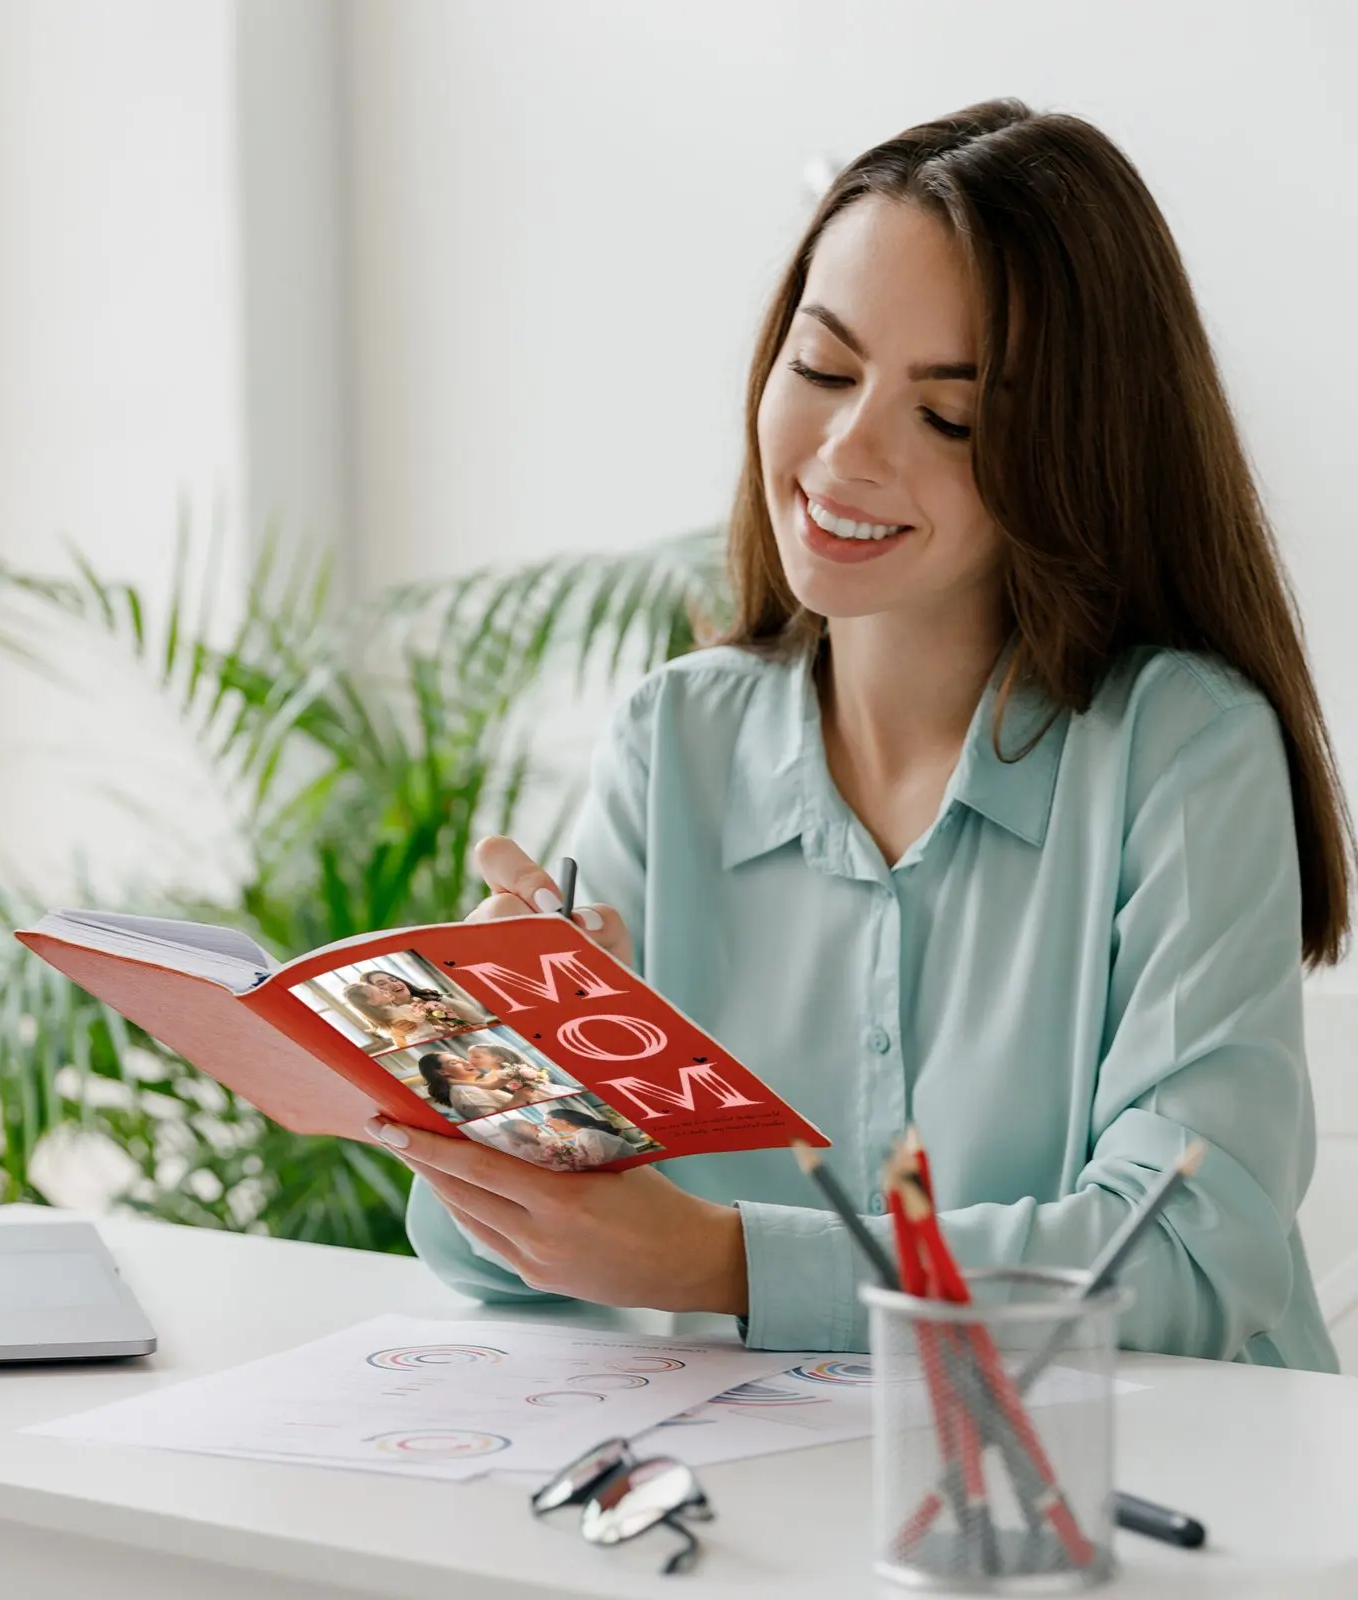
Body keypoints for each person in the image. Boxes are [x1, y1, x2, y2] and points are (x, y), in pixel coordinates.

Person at [370, 100, 1348, 1370]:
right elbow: (489, 1258)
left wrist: (719, 1260)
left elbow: (1184, 1255)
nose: (845, 451)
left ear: (1071, 454)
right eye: (822, 370)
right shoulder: (675, 739)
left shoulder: (1182, 750)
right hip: (799, 1499)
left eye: (948, 418)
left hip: (1174, 1515)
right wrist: (499, 1058)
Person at [344, 970, 481, 1050]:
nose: (392, 984)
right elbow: (407, 1044)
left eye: (393, 979)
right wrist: (398, 1034)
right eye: (382, 985)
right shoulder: (392, 1020)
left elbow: (479, 1022)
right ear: (372, 998)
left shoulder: (435, 1001)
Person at [415, 1052, 518, 1121]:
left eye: (462, 1059)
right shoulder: (465, 1092)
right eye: (454, 1063)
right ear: (442, 1072)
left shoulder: (471, 1086)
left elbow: (492, 1075)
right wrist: (521, 1098)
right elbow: (494, 1122)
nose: (466, 1063)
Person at [543, 1106, 644, 1171]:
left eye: (548, 1121)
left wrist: (574, 1162)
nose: (546, 1125)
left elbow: (598, 1160)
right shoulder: (583, 1133)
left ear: (563, 1120)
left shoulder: (588, 1134)